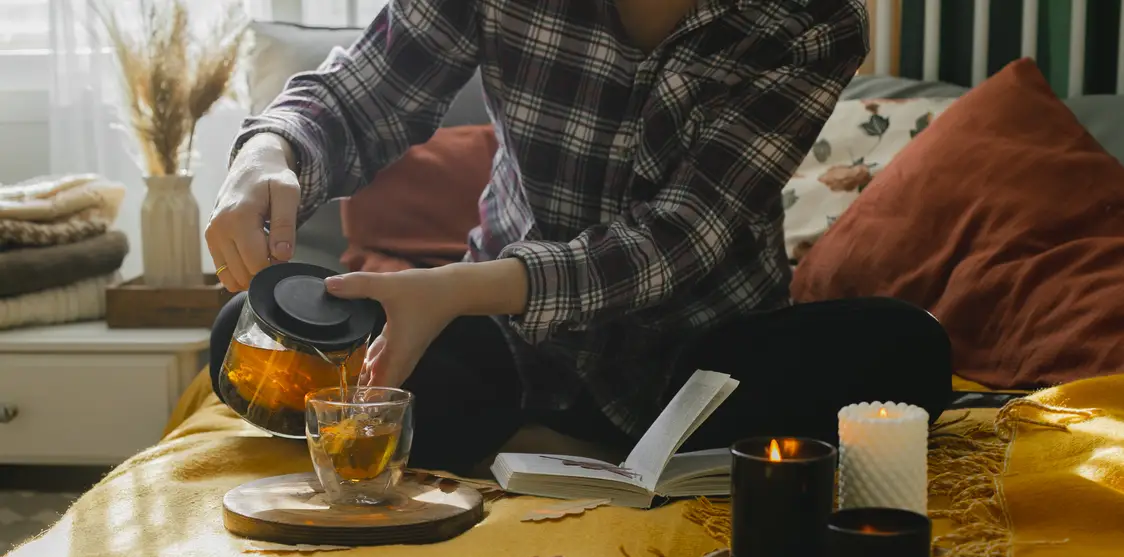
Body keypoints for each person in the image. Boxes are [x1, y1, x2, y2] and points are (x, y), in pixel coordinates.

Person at [206, 0, 952, 475]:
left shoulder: (811, 21)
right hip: (507, 343)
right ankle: (598, 457)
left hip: (702, 365)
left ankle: (532, 449)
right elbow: (363, 94)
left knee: (903, 355)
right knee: (247, 345)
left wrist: (459, 288)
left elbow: (682, 236)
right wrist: (267, 151)